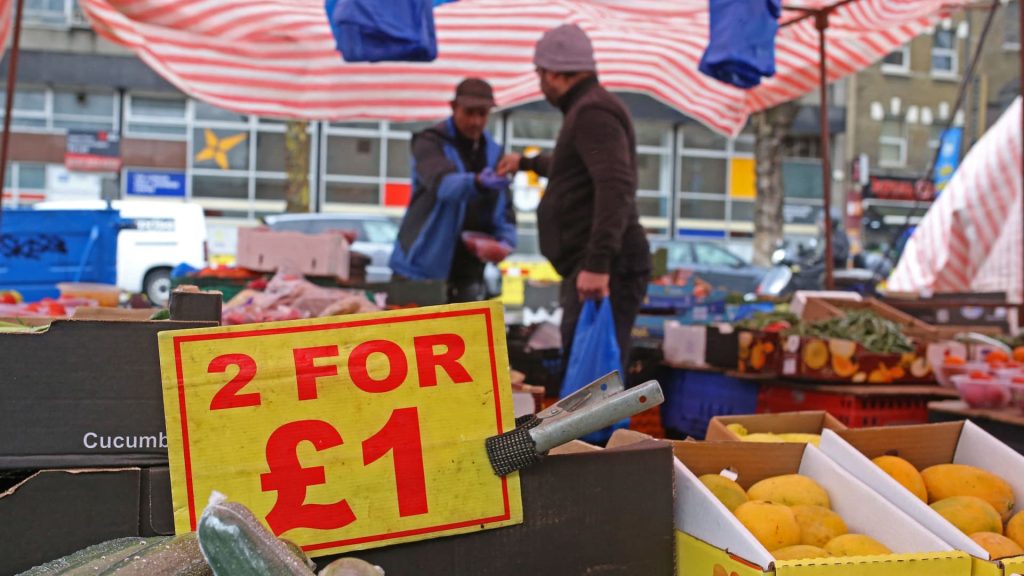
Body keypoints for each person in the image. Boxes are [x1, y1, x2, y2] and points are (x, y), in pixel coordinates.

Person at [497, 24, 651, 375]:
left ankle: (600, 434)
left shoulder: (592, 112)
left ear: (552, 72)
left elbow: (615, 184)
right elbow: (576, 172)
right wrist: (526, 163)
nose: (539, 83)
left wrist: (597, 264)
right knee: (587, 373)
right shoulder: (588, 108)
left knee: (592, 380)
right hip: (596, 263)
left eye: (538, 74)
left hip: (605, 267)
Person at [389, 78, 516, 303]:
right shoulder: (429, 143)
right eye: (469, 112)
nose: (476, 121)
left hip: (469, 275)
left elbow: (504, 209)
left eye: (482, 114)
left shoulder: (495, 153)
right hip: (418, 271)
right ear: (453, 107)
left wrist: (505, 242)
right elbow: (444, 185)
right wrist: (478, 182)